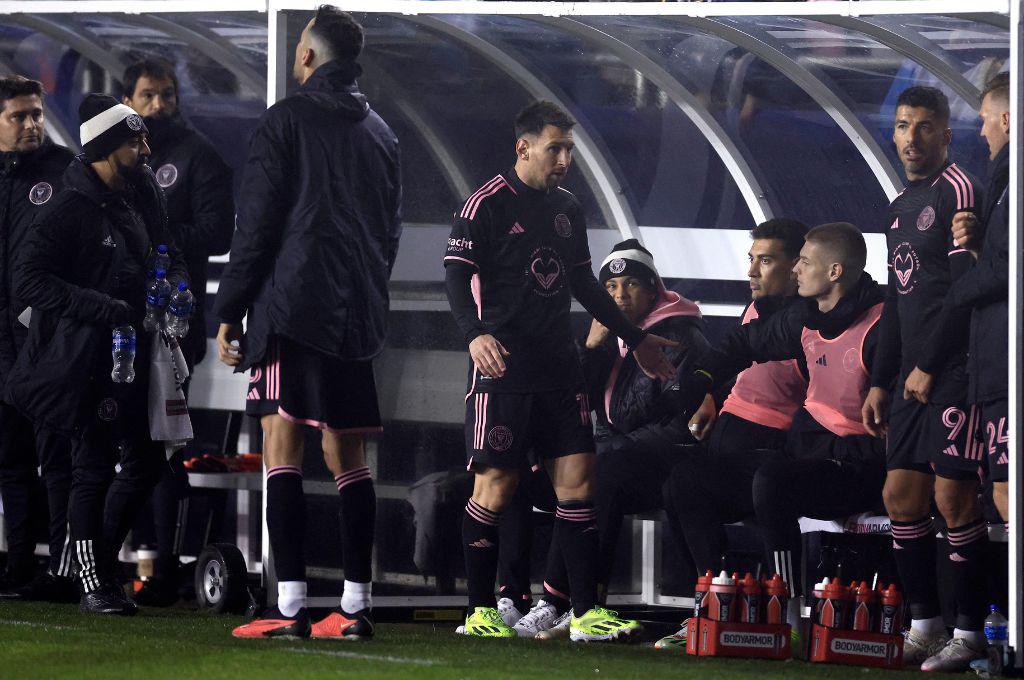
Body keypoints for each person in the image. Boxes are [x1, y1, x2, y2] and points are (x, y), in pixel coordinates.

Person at [444, 99, 680, 641]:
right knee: (496, 488)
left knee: (578, 486)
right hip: (502, 372)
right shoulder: (486, 204)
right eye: (556, 148)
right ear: (523, 147)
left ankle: (582, 613)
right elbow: (456, 277)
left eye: (569, 148)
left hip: (559, 371)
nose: (566, 158)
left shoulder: (568, 208)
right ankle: (481, 610)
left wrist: (636, 338)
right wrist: (474, 334)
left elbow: (583, 283)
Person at [217, 6, 401, 640]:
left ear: (308, 57)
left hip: (292, 309)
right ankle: (355, 606)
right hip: (357, 315)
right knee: (349, 453)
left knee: (281, 444)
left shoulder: (285, 121)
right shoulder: (381, 133)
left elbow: (258, 227)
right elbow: (389, 232)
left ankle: (288, 606)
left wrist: (230, 308)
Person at [6, 94, 188, 615]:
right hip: (90, 357)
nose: (147, 148)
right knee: (92, 466)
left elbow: (166, 250)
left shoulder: (143, 190)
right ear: (107, 149)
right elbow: (30, 279)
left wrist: (176, 284)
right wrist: (101, 307)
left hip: (143, 348)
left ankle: (99, 564)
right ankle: (93, 581)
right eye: (136, 141)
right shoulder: (68, 207)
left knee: (149, 457)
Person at [672, 222, 887, 635]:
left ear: (835, 272)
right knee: (688, 478)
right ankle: (719, 602)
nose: (796, 271)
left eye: (804, 262)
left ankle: (785, 611)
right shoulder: (805, 318)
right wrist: (700, 376)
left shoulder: (881, 325)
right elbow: (744, 343)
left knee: (774, 479)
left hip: (859, 464)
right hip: (807, 457)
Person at [512, 239, 709, 639]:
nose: (620, 296)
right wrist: (591, 347)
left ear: (654, 289)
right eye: (611, 288)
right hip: (620, 460)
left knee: (593, 474)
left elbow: (678, 421)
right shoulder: (610, 336)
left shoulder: (678, 336)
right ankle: (537, 600)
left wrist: (608, 448)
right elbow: (571, 401)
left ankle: (562, 601)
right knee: (534, 470)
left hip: (670, 461)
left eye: (631, 285)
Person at [860, 86, 987, 671]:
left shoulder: (959, 192)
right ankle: (923, 624)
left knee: (953, 497)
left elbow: (964, 294)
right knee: (899, 496)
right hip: (910, 377)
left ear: (946, 134)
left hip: (954, 371)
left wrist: (930, 365)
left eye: (925, 126)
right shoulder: (899, 204)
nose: (912, 137)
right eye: (904, 125)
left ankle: (970, 633)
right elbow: (896, 298)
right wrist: (881, 379)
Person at [653, 218, 809, 649]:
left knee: (687, 482)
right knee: (670, 486)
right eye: (750, 259)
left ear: (797, 265)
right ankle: (712, 603)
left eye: (765, 260)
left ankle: (764, 613)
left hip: (772, 445)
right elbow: (739, 367)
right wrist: (709, 398)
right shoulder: (758, 306)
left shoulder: (811, 321)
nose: (751, 272)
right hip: (728, 430)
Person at [121, 57, 235, 607]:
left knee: (161, 444)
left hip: (174, 323)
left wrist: (154, 237)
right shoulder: (113, 158)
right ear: (128, 101)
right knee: (126, 442)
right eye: (148, 96)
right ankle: (134, 556)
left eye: (167, 95)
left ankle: (164, 561)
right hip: (119, 320)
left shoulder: (199, 157)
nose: (158, 106)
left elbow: (215, 232)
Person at [0, 76, 76, 602]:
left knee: (59, 455)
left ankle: (66, 569)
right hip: (0, 342)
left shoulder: (63, 170)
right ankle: (19, 565)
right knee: (11, 458)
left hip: (46, 337)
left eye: (35, 113)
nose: (31, 124)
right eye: (18, 116)